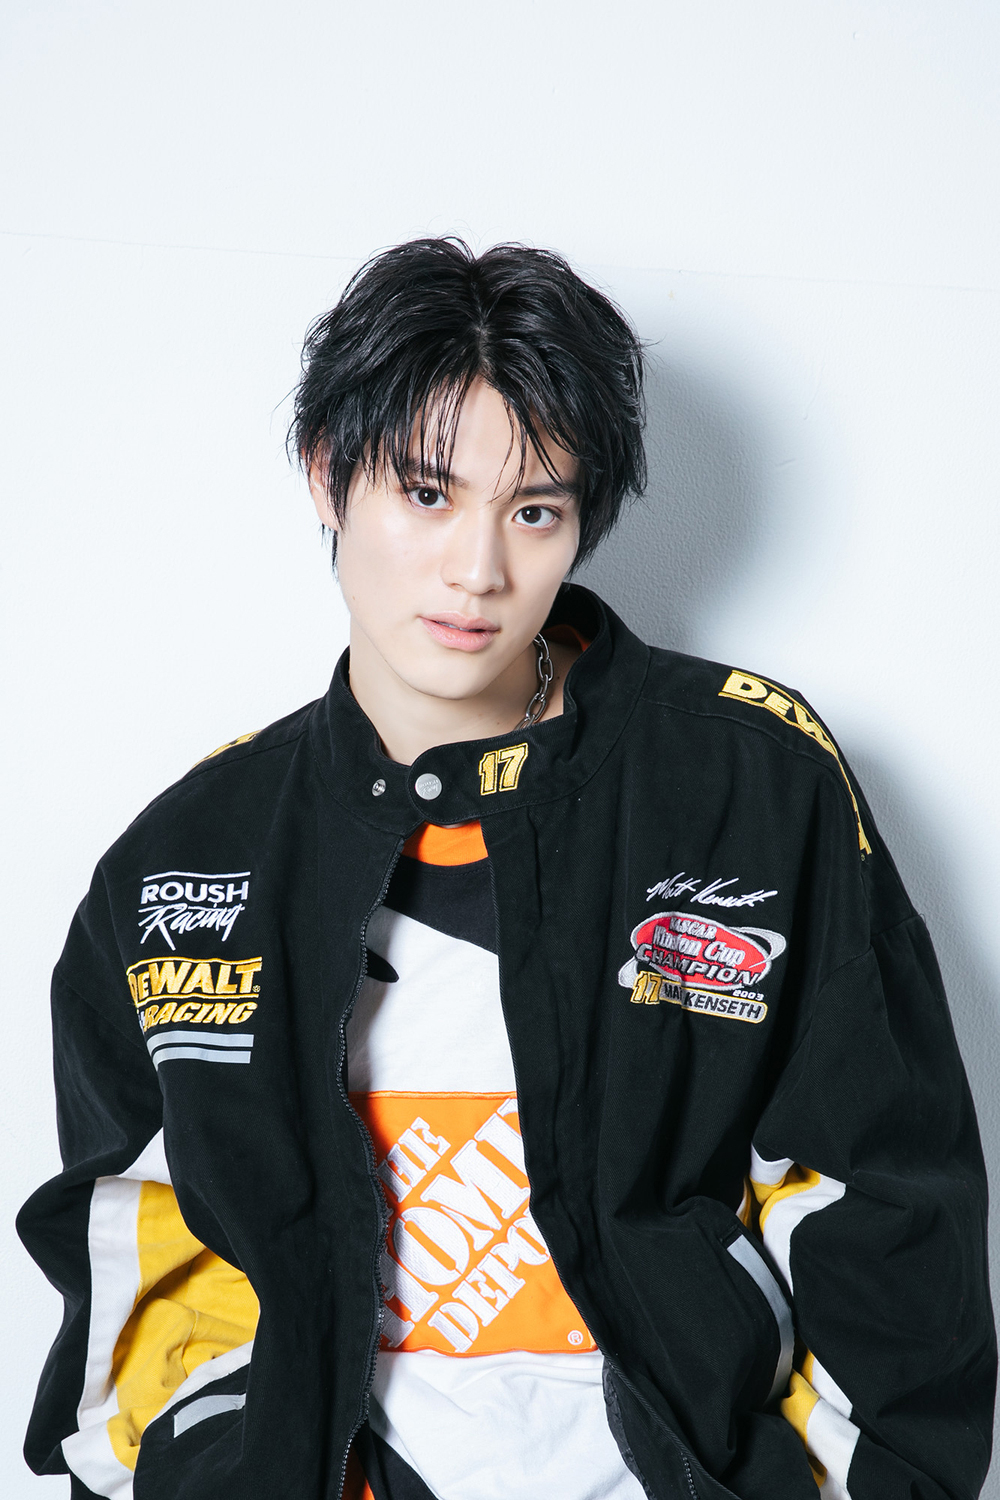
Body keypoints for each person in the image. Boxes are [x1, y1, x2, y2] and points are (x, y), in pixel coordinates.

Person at [18, 238, 994, 1500]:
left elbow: (887, 1200)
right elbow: (139, 1256)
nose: (477, 572)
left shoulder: (748, 788)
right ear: (326, 473)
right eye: (427, 494)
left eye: (534, 511)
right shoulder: (190, 858)